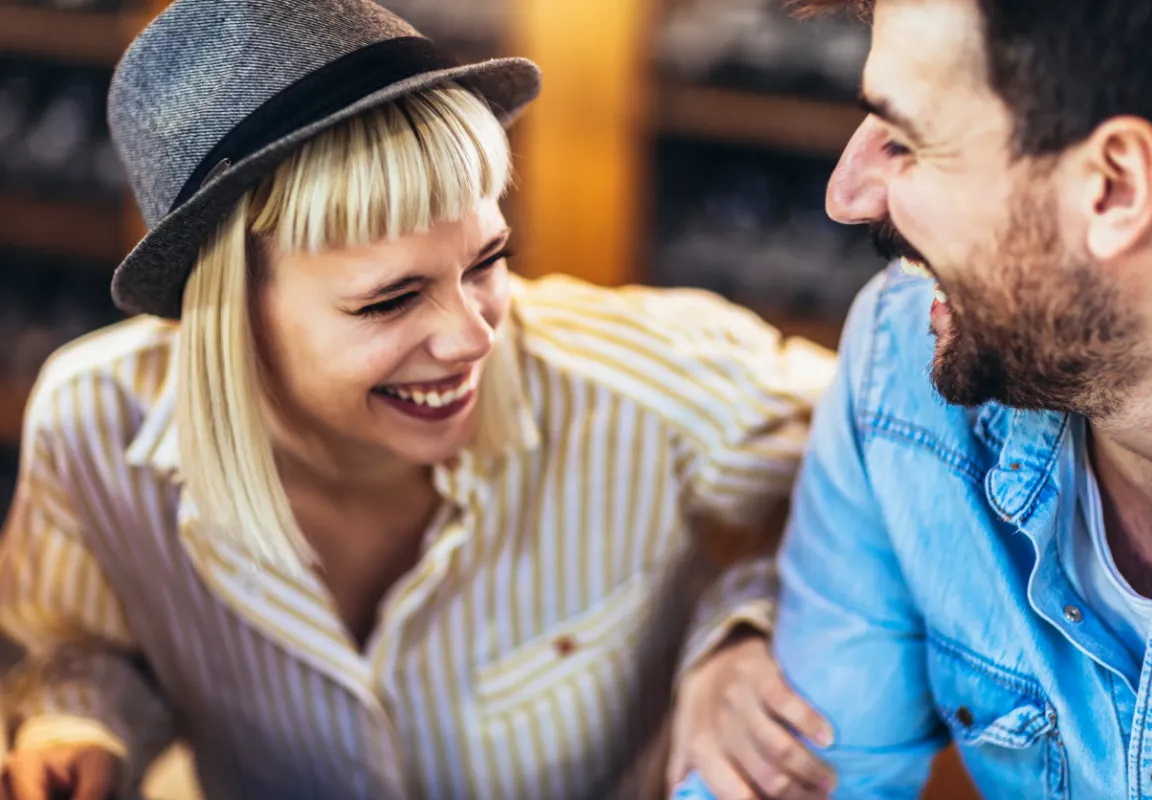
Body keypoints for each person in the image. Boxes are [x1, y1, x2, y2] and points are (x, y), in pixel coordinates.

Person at [0, 1, 842, 798]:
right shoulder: (93, 429)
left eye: (486, 261)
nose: (474, 336)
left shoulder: (647, 387)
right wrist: (82, 726)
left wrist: (742, 630)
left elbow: (874, 449)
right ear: (228, 317)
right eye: (390, 300)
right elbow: (86, 643)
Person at [673, 0, 1152, 797]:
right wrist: (733, 616)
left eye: (907, 139)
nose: (847, 195)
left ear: (1114, 187)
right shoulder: (904, 363)